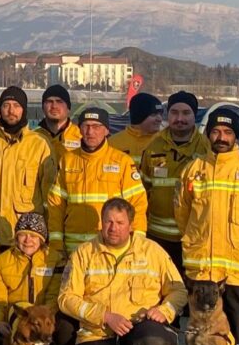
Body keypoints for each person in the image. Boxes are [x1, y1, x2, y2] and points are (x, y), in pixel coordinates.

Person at [58, 198, 187, 345]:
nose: (113, 228)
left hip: (139, 328)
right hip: (98, 332)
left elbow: (179, 290)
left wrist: (165, 310)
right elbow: (66, 298)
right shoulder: (84, 253)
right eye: (108, 222)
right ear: (101, 222)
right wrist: (104, 316)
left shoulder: (152, 251)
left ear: (131, 225)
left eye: (120, 223)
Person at [175, 109, 239, 345]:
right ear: (208, 134)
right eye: (216, 131)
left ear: (236, 136)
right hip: (202, 266)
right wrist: (195, 237)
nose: (221, 137)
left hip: (238, 267)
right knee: (202, 324)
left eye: (227, 132)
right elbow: (182, 213)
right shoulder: (192, 171)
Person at [0, 213, 70, 345]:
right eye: (23, 235)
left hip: (45, 319)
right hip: (15, 321)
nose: (28, 240)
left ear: (41, 239)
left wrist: (44, 319)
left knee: (64, 330)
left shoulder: (54, 259)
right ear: (16, 237)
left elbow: (55, 296)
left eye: (33, 236)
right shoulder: (1, 261)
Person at [46, 108, 146, 254]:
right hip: (74, 247)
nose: (90, 132)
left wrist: (136, 242)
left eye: (96, 126)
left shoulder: (122, 162)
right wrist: (56, 243)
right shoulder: (68, 161)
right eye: (85, 126)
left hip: (109, 247)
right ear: (79, 129)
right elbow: (56, 205)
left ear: (106, 130)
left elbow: (137, 203)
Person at [0, 86, 55, 248]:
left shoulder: (39, 145)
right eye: (6, 105)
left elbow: (49, 196)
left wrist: (47, 231)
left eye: (16, 106)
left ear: (24, 110)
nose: (11, 110)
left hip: (26, 237)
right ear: (0, 109)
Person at [139, 91, 208, 267]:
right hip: (158, 236)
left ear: (195, 115)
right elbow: (142, 190)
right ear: (167, 115)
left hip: (195, 236)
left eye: (186, 113)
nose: (180, 118)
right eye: (174, 112)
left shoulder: (207, 149)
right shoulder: (153, 147)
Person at [109, 91, 163, 165]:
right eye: (154, 114)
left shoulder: (165, 143)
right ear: (139, 116)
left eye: (160, 114)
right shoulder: (113, 143)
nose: (159, 119)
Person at [35, 84, 81, 161]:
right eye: (49, 101)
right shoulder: (33, 137)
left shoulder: (81, 136)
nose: (54, 106)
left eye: (59, 101)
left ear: (68, 108)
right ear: (43, 107)